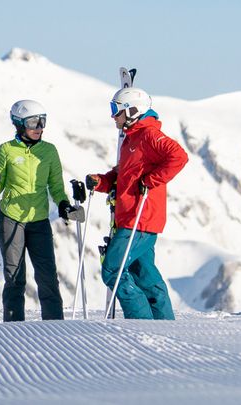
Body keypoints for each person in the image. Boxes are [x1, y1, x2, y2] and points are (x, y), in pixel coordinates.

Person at [86, 87, 188, 320]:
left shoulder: (149, 135)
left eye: (116, 110)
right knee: (144, 274)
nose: (113, 116)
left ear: (132, 111)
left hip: (140, 218)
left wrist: (151, 180)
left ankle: (141, 322)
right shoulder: (131, 138)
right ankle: (164, 323)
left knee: (114, 269)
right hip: (132, 216)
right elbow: (123, 175)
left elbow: (179, 157)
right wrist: (100, 182)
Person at [0, 99, 82, 321]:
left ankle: (55, 326)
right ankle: (14, 327)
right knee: (15, 277)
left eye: (43, 121)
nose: (39, 127)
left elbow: (55, 186)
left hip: (39, 220)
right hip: (11, 219)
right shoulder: (6, 150)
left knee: (48, 278)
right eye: (34, 122)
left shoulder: (49, 151)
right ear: (19, 123)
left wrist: (63, 204)